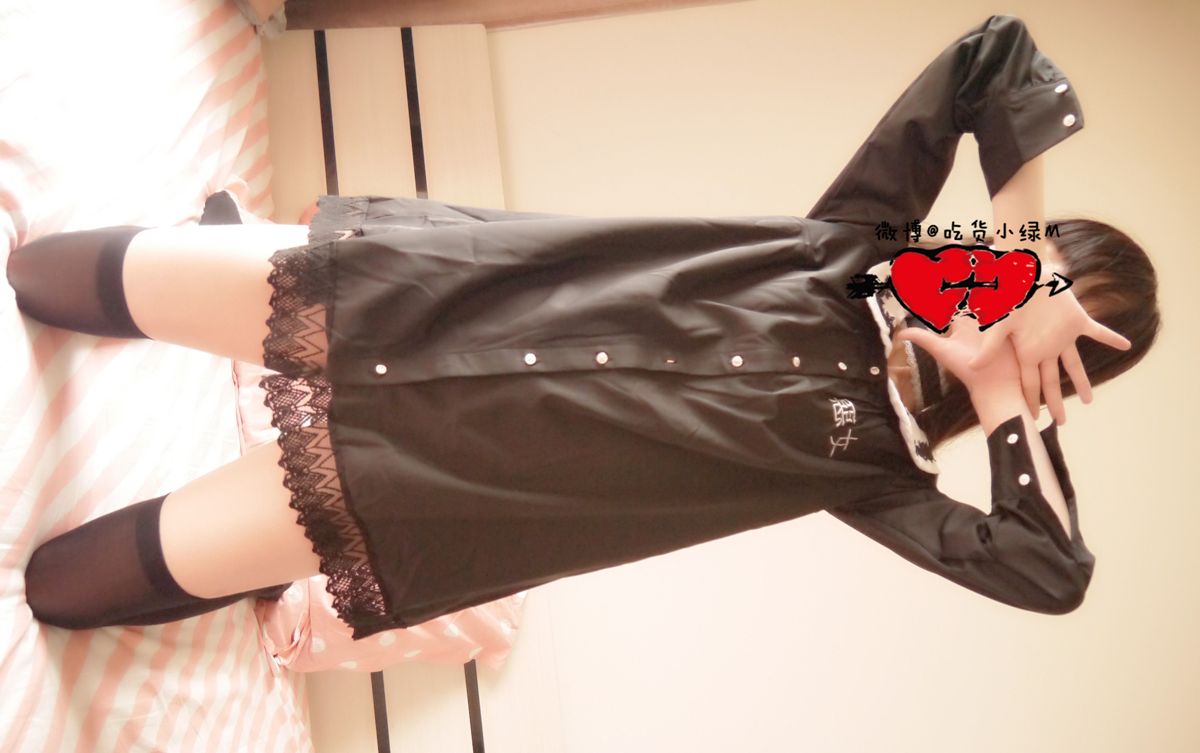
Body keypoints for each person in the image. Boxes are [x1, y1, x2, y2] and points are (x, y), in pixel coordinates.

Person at [8, 15, 1159, 640]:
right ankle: (226, 243)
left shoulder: (875, 474)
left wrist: (1003, 405)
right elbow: (996, 57)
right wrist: (1025, 255)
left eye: (1052, 338)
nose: (1021, 320)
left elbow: (1048, 573)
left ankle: (257, 569)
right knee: (44, 275)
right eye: (1036, 288)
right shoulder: (853, 245)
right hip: (400, 295)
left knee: (65, 588)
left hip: (402, 483)